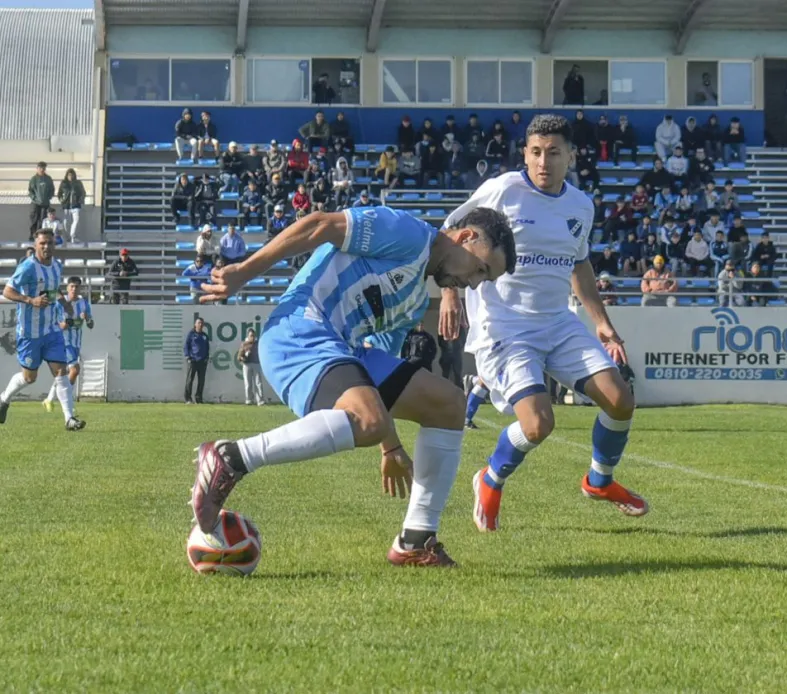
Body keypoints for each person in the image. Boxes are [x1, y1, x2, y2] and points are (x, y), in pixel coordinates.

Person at [188, 204, 516, 567]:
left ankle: (416, 541)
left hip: (342, 348)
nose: (472, 282)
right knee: (370, 419)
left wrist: (389, 447)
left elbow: (378, 390)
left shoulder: (414, 301)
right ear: (465, 237)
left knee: (448, 404)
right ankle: (231, 458)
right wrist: (245, 271)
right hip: (298, 330)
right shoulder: (410, 234)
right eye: (480, 269)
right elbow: (319, 225)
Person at [438, 114, 645, 534]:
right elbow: (449, 231)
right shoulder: (502, 190)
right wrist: (449, 292)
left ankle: (598, 482)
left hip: (558, 321)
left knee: (620, 400)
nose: (543, 161)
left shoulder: (581, 206)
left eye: (553, 153)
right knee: (537, 424)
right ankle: (490, 479)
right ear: (525, 154)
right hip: (506, 328)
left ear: (571, 155)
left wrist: (601, 322)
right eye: (535, 152)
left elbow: (580, 266)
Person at [0, 229, 85, 430]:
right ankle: (4, 399)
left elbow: (53, 289)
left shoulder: (57, 266)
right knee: (30, 378)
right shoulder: (28, 267)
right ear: (36, 245)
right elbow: (7, 291)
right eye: (43, 243)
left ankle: (69, 419)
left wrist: (64, 302)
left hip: (51, 330)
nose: (47, 247)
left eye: (50, 243)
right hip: (30, 333)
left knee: (62, 372)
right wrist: (30, 300)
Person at [43, 276, 92, 413]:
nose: (74, 289)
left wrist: (87, 318)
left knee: (62, 374)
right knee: (75, 370)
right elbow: (52, 322)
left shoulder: (84, 304)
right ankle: (66, 400)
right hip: (62, 341)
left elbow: (91, 324)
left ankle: (49, 399)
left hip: (76, 342)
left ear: (80, 288)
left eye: (77, 287)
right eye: (72, 286)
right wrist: (62, 325)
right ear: (67, 288)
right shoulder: (60, 304)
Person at [184, 317, 210, 405]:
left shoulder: (205, 336)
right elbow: (186, 346)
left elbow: (207, 348)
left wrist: (206, 358)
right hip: (193, 360)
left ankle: (199, 398)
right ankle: (188, 398)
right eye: (199, 323)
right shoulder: (191, 334)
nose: (200, 324)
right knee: (190, 380)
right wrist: (187, 357)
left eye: (202, 323)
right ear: (195, 324)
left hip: (202, 361)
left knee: (201, 381)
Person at [237, 328, 264, 406]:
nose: (252, 337)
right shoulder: (244, 344)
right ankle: (249, 400)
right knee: (248, 384)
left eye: (253, 336)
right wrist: (244, 356)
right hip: (247, 365)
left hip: (256, 364)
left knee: (258, 383)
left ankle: (260, 401)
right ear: (248, 336)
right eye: (250, 336)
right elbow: (239, 357)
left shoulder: (258, 343)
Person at [58, 168, 86, 243]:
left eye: (72, 175)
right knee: (65, 223)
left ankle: (73, 235)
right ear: (67, 176)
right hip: (66, 206)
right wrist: (62, 200)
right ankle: (68, 237)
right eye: (69, 175)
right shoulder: (63, 183)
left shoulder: (78, 183)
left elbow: (83, 193)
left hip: (76, 205)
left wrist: (80, 200)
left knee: (76, 220)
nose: (70, 176)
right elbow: (59, 193)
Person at [28, 162, 55, 237]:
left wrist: (49, 197)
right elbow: (30, 191)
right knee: (34, 220)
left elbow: (52, 189)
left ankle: (41, 236)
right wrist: (34, 198)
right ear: (37, 169)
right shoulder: (34, 179)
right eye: (40, 168)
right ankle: (32, 236)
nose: (42, 170)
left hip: (45, 203)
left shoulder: (48, 179)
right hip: (36, 203)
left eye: (43, 168)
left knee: (43, 220)